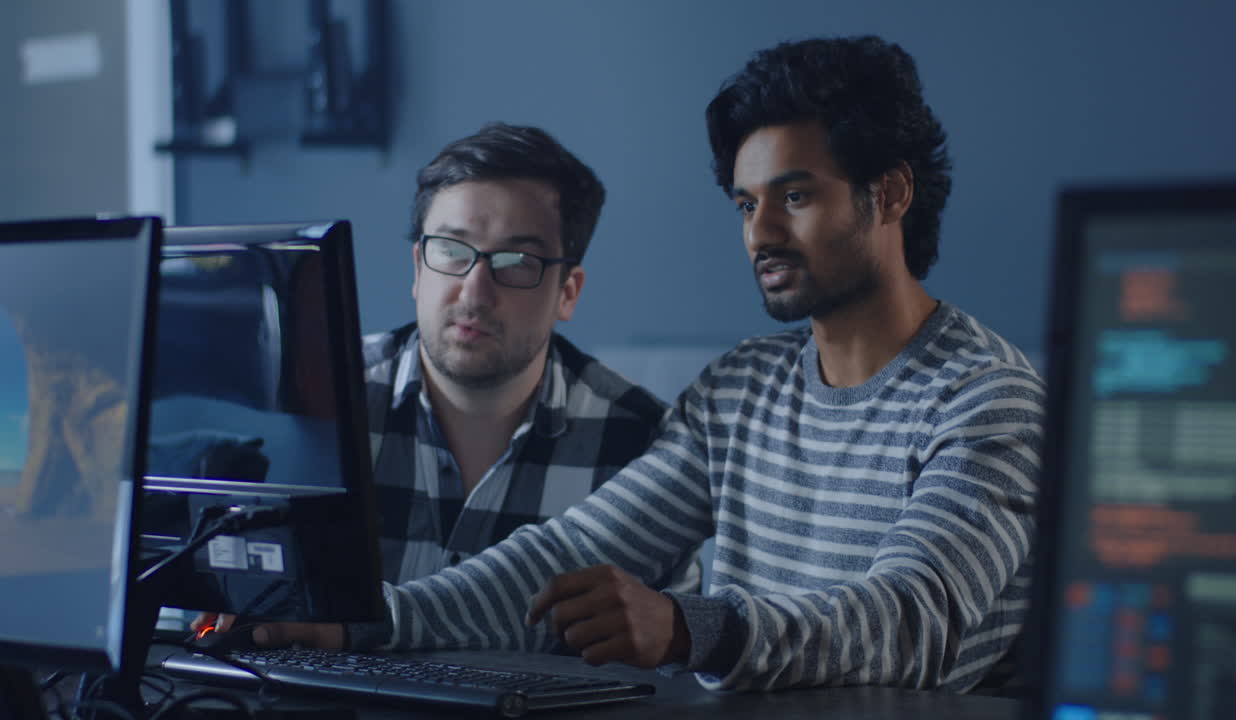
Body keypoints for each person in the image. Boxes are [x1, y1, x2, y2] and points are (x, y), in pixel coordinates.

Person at [234, 36, 1045, 694]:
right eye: (744, 203)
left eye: (794, 197)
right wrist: (365, 623)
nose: (760, 234)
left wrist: (692, 625)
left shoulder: (988, 399)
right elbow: (563, 557)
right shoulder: (741, 390)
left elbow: (907, 624)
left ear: (892, 193)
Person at [193, 122, 699, 635]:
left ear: (567, 292)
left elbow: (667, 670)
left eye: (517, 261)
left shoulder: (643, 444)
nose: (474, 292)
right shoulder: (312, 405)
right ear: (417, 269)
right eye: (452, 252)